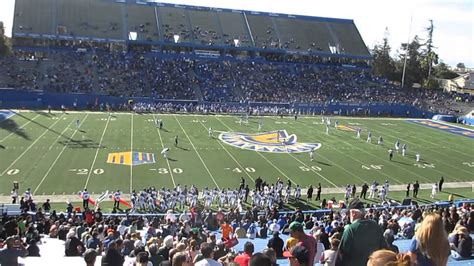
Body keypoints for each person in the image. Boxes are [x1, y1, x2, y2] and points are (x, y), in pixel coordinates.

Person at [338, 198, 386, 266]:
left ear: (353, 213)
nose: (348, 215)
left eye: (349, 213)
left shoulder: (350, 229)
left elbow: (342, 254)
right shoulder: (376, 226)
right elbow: (384, 249)